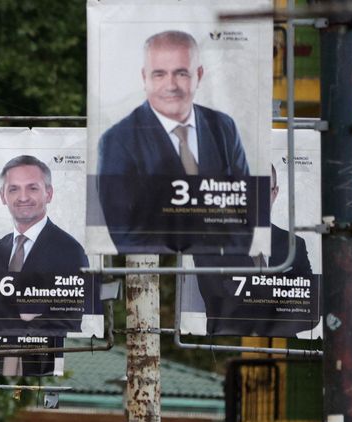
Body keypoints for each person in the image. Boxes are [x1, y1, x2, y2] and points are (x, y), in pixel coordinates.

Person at [97, 30, 251, 254]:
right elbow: (125, 231)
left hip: (223, 270)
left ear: (199, 74)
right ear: (144, 77)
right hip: (162, 275)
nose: (171, 85)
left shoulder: (223, 127)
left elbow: (244, 208)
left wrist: (226, 262)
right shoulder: (117, 140)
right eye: (159, 74)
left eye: (181, 73)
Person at [0, 155, 91, 377]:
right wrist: (23, 312)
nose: (23, 197)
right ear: (3, 196)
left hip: (42, 370)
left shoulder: (70, 251)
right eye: (14, 189)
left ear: (49, 193)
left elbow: (66, 321)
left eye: (33, 188)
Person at [192, 162, 318, 337]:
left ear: (275, 193)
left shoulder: (294, 244)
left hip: (282, 343)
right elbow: (218, 298)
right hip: (227, 343)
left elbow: (311, 306)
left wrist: (253, 294)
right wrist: (280, 297)